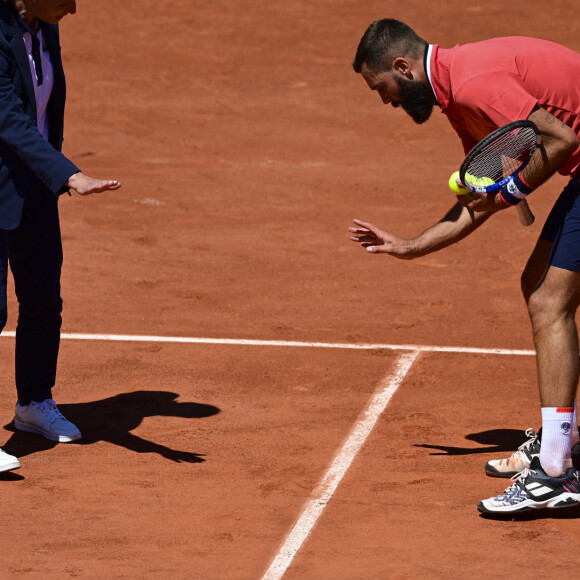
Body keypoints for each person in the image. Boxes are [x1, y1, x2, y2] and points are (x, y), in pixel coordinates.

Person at [349, 19, 580, 513]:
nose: (384, 100)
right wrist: (410, 246)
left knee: (548, 300)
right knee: (536, 285)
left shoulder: (475, 84)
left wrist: (513, 188)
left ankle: (557, 472)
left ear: (402, 67)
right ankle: (565, 438)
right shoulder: (455, 96)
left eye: (380, 88)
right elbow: (481, 199)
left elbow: (558, 138)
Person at [0, 0, 121, 474]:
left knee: (43, 300)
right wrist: (68, 175)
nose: (73, 8)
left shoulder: (41, 25)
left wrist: (51, 175)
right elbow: (7, 118)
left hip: (33, 185)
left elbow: (46, 108)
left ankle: (33, 404)